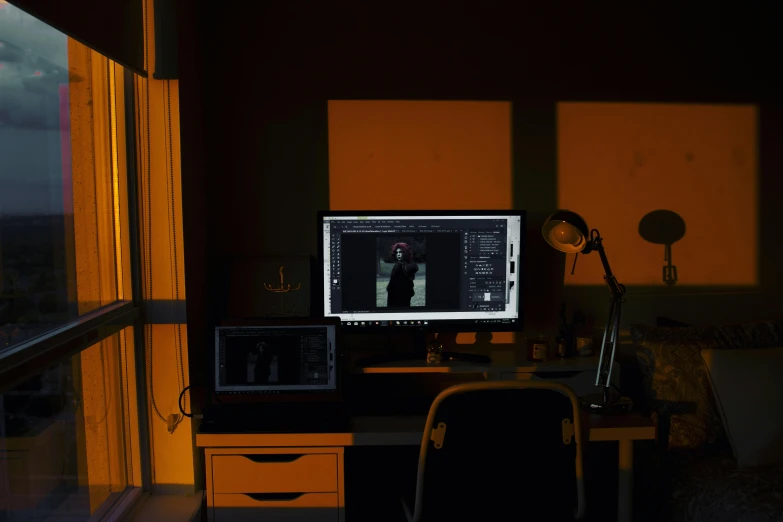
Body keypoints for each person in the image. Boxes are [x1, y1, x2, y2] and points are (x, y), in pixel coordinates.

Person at [386, 242, 418, 307]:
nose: (398, 254)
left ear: (405, 253)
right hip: (395, 297)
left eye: (400, 252)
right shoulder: (399, 265)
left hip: (400, 299)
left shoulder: (403, 265)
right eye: (397, 252)